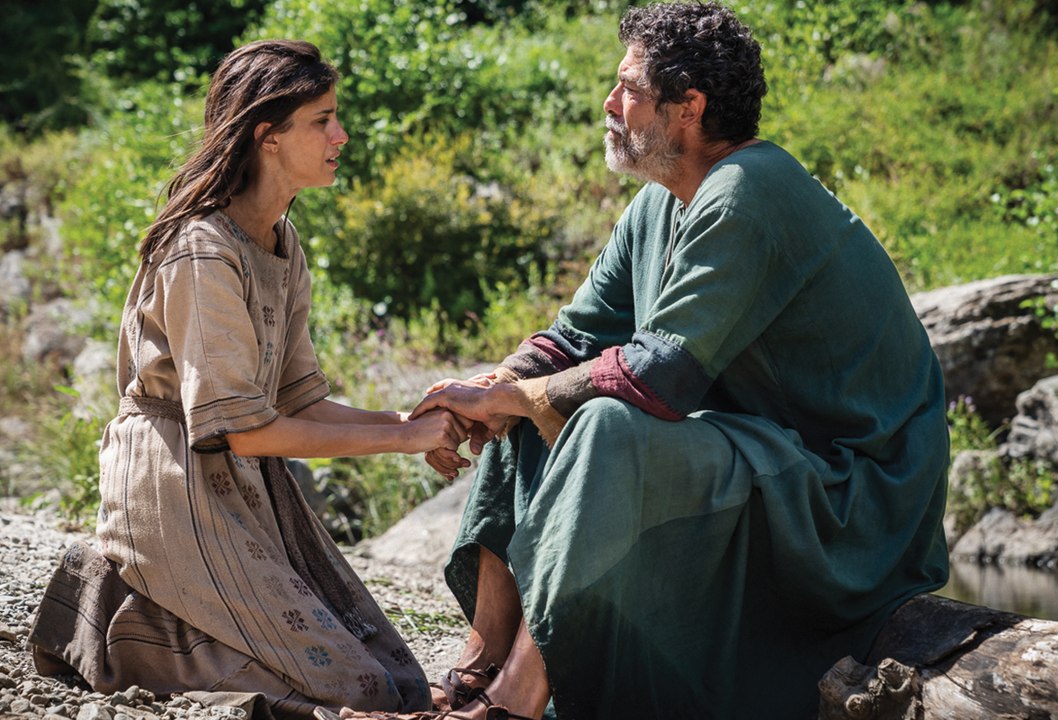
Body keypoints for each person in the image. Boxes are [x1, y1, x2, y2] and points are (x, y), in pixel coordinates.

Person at [341, 3, 951, 719]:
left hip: (854, 491)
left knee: (595, 419)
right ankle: (479, 667)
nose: (608, 102)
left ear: (687, 107)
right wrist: (490, 385)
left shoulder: (748, 191)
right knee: (521, 390)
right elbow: (571, 338)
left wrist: (515, 397)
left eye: (628, 88)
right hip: (772, 460)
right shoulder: (660, 203)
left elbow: (658, 379)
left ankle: (513, 704)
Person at [28, 39, 470, 720]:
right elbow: (243, 431)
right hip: (174, 479)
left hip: (242, 486)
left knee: (398, 682)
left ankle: (151, 604)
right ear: (268, 136)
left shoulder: (281, 243)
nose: (340, 135)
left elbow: (301, 402)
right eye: (322, 119)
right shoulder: (203, 247)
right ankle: (104, 612)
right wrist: (407, 442)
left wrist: (412, 420)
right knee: (358, 693)